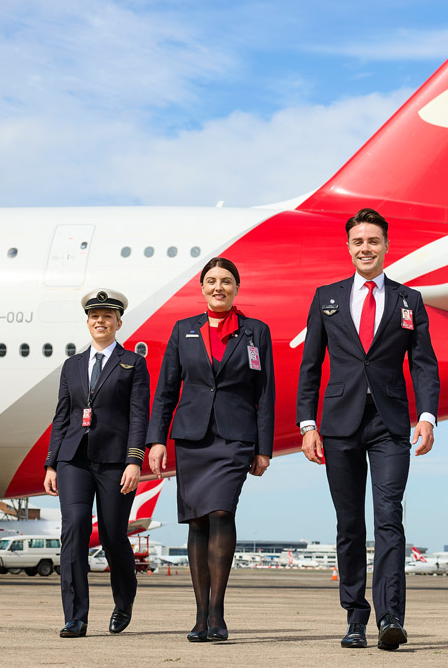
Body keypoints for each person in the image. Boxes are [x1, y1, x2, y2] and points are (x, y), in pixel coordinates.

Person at [297, 208, 440, 651]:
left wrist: (428, 416)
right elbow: (311, 366)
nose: (366, 248)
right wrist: (307, 423)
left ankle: (391, 616)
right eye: (358, 241)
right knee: (349, 524)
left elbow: (423, 363)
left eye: (373, 241)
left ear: (386, 246)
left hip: (390, 423)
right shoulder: (326, 297)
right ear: (349, 247)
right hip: (339, 424)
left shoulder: (407, 300)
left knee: (389, 517)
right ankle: (356, 617)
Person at [146, 257, 275, 643]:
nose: (218, 287)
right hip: (192, 438)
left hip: (235, 438)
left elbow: (265, 393)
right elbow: (166, 391)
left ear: (237, 287)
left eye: (226, 281)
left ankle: (217, 613)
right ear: (201, 288)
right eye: (211, 281)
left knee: (221, 510)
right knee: (197, 521)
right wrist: (156, 440)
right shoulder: (183, 330)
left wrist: (263, 448)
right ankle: (200, 615)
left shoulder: (256, 332)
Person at [44, 288, 150, 638]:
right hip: (74, 459)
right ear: (87, 322)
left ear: (119, 322)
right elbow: (62, 417)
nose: (100, 321)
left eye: (107, 316)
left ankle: (124, 601)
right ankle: (76, 617)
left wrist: (135, 461)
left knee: (112, 536)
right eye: (94, 316)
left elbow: (139, 417)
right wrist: (51, 464)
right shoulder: (72, 366)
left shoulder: (133, 363)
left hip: (115, 462)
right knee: (73, 529)